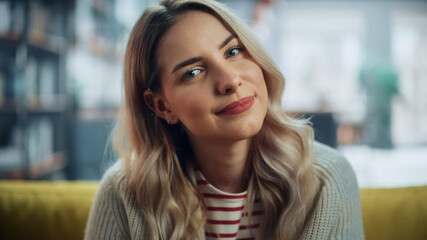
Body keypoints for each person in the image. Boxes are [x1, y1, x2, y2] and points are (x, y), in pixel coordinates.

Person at [84, 0, 364, 239]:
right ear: (162, 106)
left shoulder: (325, 182)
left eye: (233, 52)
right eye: (193, 72)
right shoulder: (122, 194)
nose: (230, 80)